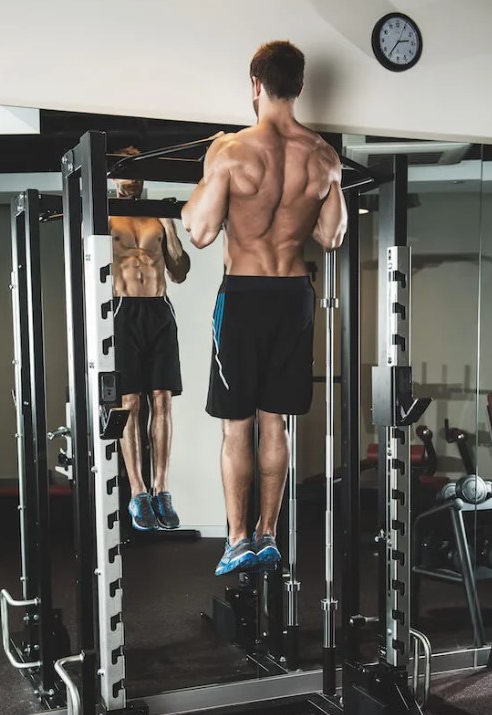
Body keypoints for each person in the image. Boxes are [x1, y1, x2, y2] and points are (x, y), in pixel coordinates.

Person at [181, 41, 347, 575]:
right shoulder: (323, 156)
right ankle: (268, 534)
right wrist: (334, 182)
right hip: (295, 296)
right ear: (298, 87)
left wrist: (207, 175)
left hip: (245, 295)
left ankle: (236, 539)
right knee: (275, 423)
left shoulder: (230, 151)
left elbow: (201, 232)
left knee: (237, 426)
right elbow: (331, 236)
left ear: (255, 86)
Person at [111, 147, 191, 530]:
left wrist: (170, 226)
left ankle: (162, 489)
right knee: (129, 402)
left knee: (162, 400)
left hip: (159, 310)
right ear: (112, 174)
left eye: (136, 172)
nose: (131, 180)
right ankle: (138, 493)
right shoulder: (103, 214)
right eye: (124, 172)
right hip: (123, 311)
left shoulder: (157, 215)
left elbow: (180, 271)